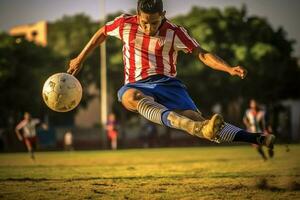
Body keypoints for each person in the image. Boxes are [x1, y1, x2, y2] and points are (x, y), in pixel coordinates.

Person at [67, 0, 275, 150]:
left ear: (163, 14)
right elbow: (101, 33)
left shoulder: (176, 32)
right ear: (137, 15)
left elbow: (201, 54)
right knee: (128, 96)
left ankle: (257, 138)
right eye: (144, 23)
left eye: (155, 23)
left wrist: (228, 68)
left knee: (204, 126)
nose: (149, 28)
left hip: (169, 84)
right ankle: (184, 123)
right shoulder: (124, 24)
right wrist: (80, 58)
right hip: (137, 85)